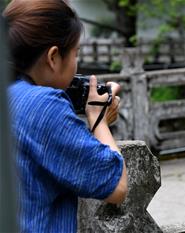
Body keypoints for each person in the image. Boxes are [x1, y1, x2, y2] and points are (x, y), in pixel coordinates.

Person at [3, 0, 127, 232]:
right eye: (75, 53)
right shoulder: (43, 105)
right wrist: (98, 118)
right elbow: (116, 184)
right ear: (53, 57)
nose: (76, 63)